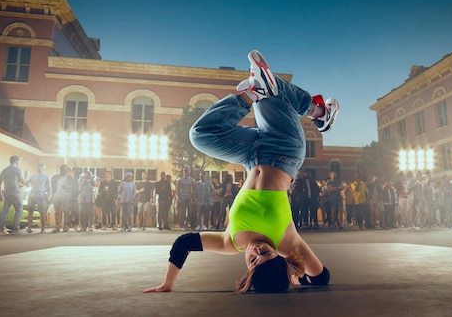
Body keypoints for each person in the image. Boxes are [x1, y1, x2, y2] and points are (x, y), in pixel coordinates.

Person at [143, 50, 336, 294]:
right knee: (272, 91)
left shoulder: (229, 242)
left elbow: (184, 244)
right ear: (277, 255)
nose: (256, 251)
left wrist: (168, 283)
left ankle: (250, 94)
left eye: (253, 259)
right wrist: (301, 279)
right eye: (265, 253)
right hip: (284, 149)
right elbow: (321, 277)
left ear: (247, 268)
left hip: (250, 154)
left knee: (200, 135)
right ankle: (318, 112)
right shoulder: (289, 244)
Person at [0, 155, 26, 235]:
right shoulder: (17, 170)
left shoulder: (4, 170)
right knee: (19, 209)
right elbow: (23, 182)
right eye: (19, 161)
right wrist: (28, 182)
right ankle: (16, 228)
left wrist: (0, 194)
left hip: (6, 192)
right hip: (15, 191)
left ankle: (1, 229)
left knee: (5, 210)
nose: (20, 163)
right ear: (16, 161)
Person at [25, 163, 52, 233]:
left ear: (43, 168)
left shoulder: (46, 177)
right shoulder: (33, 176)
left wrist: (49, 197)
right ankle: (29, 227)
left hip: (41, 195)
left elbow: (50, 188)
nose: (39, 168)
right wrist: (26, 175)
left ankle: (43, 228)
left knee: (42, 212)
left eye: (40, 167)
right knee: (30, 212)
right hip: (32, 195)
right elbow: (26, 183)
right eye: (38, 167)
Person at [51, 164, 79, 233]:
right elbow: (52, 185)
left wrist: (69, 189)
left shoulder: (69, 177)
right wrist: (53, 181)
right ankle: (57, 226)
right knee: (57, 211)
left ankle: (65, 226)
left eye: (65, 169)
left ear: (67, 170)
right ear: (60, 170)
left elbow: (74, 186)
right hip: (57, 195)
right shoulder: (56, 177)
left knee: (66, 211)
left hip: (66, 196)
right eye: (62, 169)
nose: (63, 171)